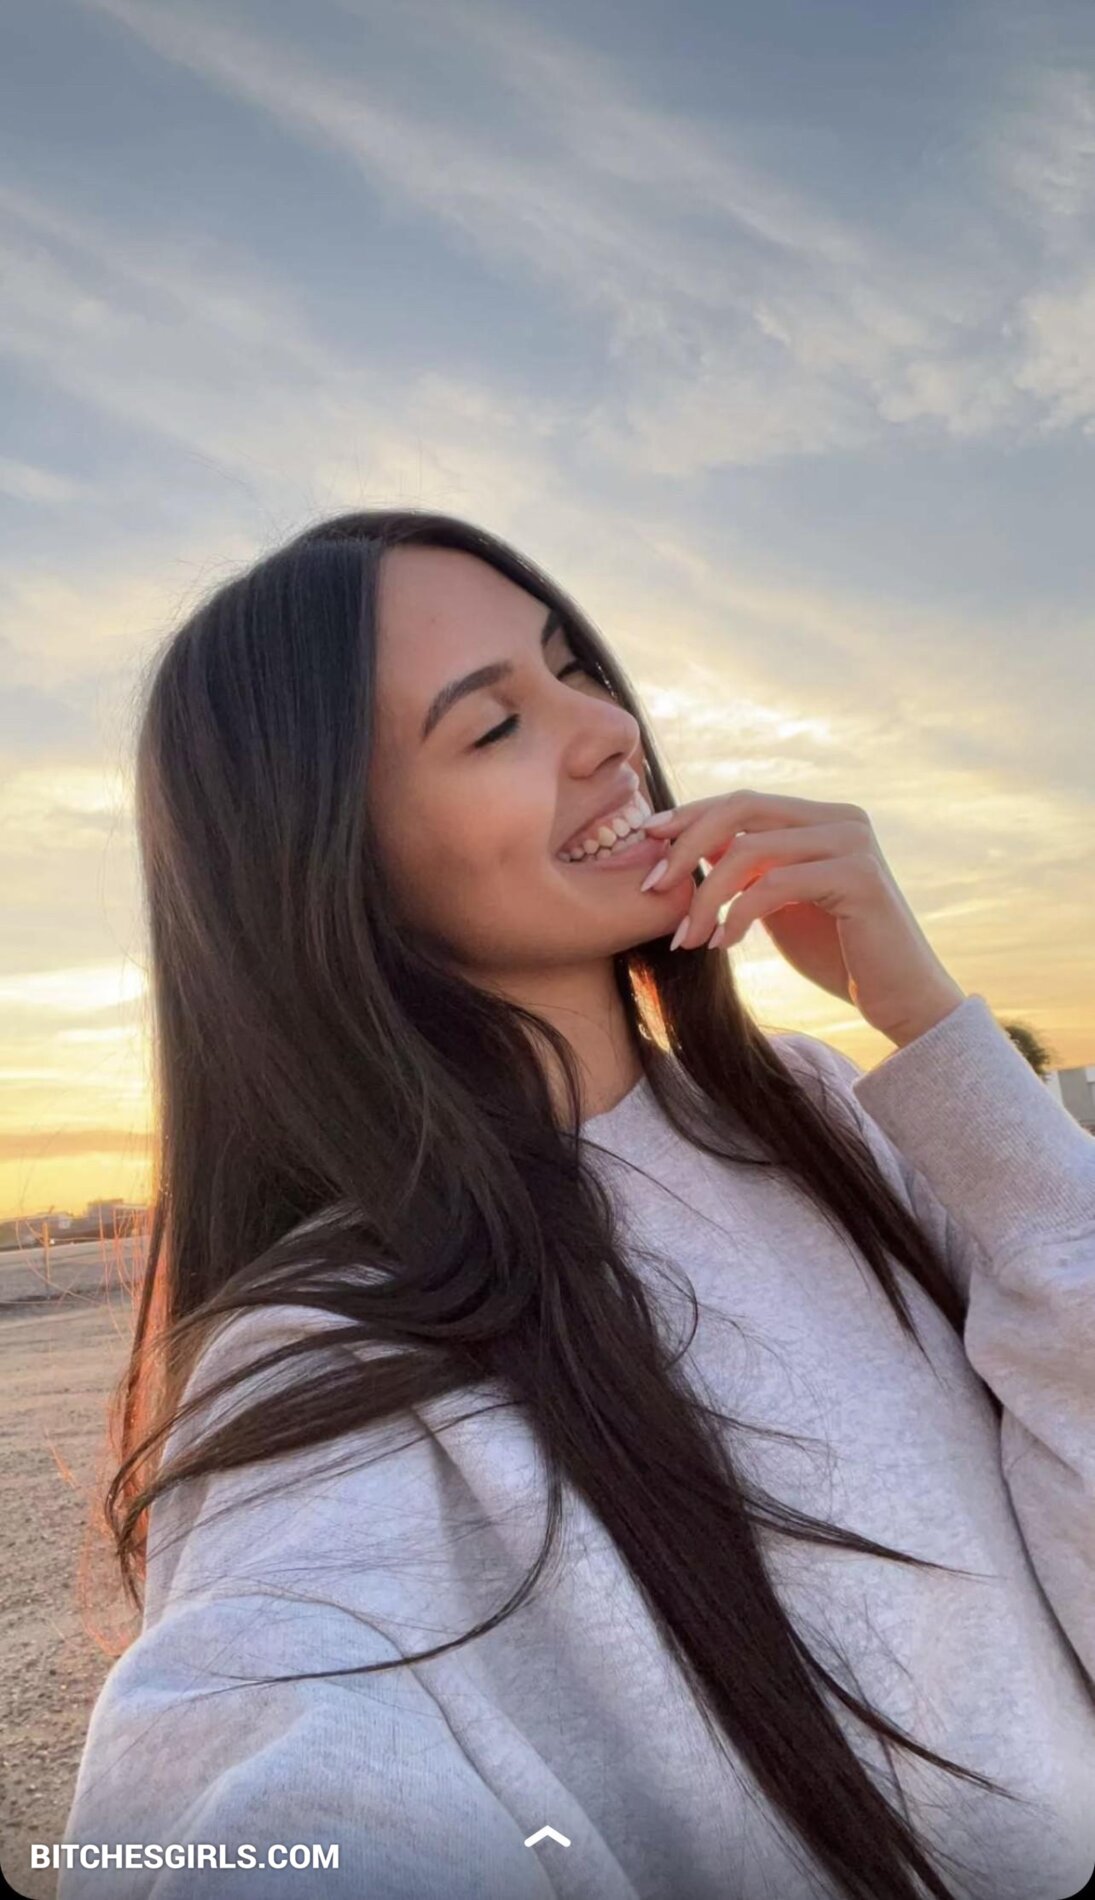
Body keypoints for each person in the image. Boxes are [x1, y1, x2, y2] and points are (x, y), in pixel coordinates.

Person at [59, 511, 1095, 1900]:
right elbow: (258, 1757)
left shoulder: (818, 1113)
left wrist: (929, 1023)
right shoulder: (334, 1351)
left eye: (574, 668)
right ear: (332, 863)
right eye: (493, 726)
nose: (609, 730)